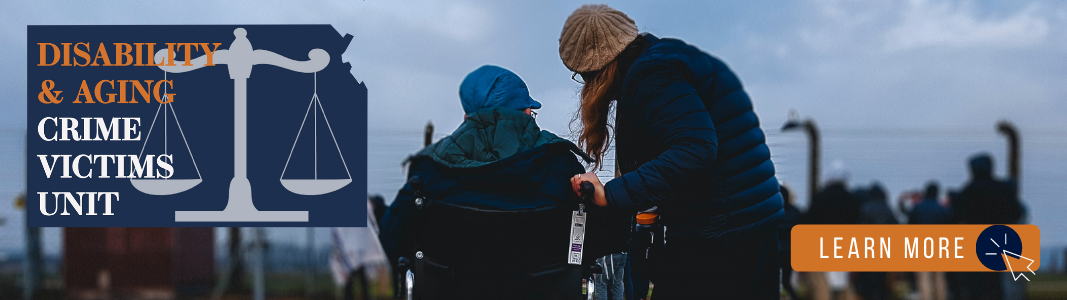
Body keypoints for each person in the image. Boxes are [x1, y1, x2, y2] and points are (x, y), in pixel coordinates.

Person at [558, 4, 783, 298]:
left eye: (585, 77)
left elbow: (695, 150)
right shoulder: (667, 59)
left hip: (718, 234)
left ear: (599, 69)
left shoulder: (650, 77)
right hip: (752, 222)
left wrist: (610, 194)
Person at [378, 65, 604, 299]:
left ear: (467, 117)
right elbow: (598, 240)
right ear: (527, 113)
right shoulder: (562, 165)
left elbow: (391, 238)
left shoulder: (428, 169)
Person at [949, 153, 1022, 300]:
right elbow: (1016, 212)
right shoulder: (1002, 189)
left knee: (977, 285)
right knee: (996, 283)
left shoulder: (968, 191)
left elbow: (956, 216)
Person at [909, 181, 949, 300]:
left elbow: (910, 226)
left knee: (924, 277)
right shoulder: (942, 208)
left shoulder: (917, 207)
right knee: (939, 277)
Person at [777, 185, 802, 300]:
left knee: (771, 280)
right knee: (787, 282)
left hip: (776, 251)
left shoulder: (773, 212)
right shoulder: (796, 212)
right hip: (791, 252)